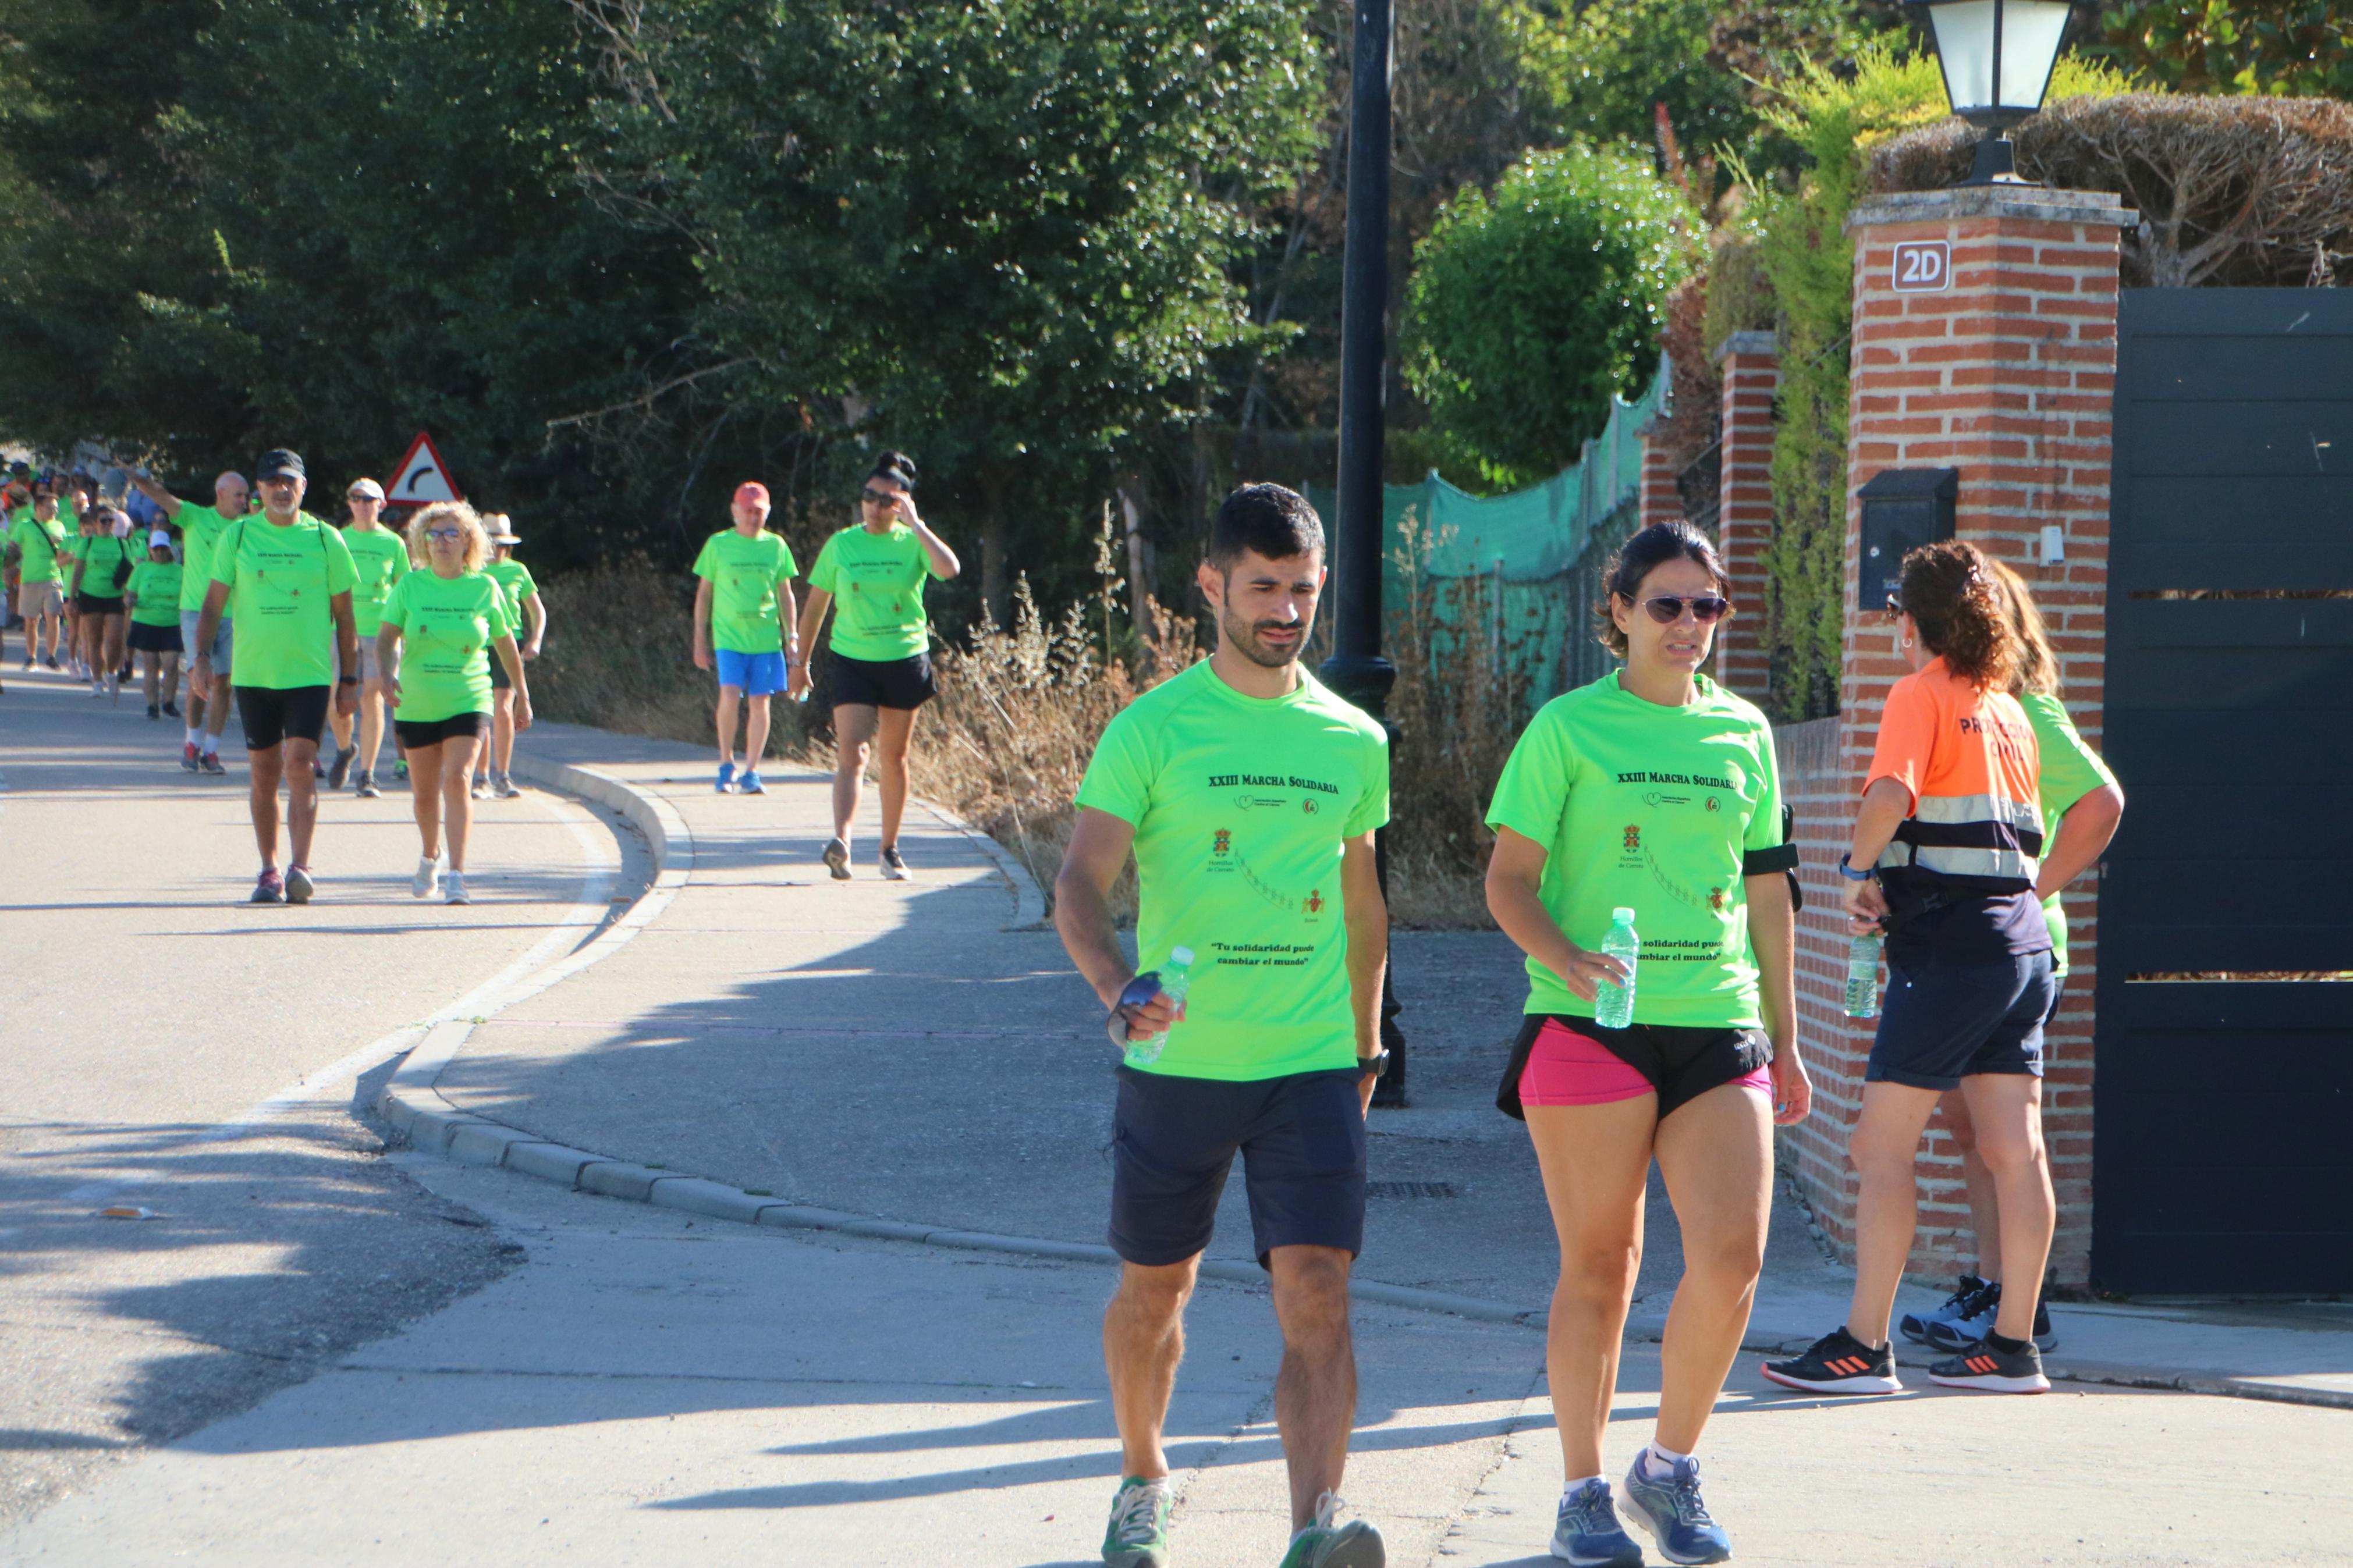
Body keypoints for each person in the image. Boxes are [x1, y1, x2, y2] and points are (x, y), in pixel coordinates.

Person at [1056, 483, 1390, 1568]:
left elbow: (1362, 906)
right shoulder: (1152, 727)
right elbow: (1078, 886)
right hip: (1179, 1062)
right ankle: (1143, 1478)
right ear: (1210, 585)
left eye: (1301, 588)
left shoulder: (1350, 738)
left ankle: (1316, 1522)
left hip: (1307, 1064)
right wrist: (1116, 990)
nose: (1285, 610)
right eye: (1263, 588)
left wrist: (1366, 1044)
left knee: (1318, 1288)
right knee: (1156, 1289)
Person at [1482, 520, 1808, 1568]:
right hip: (1590, 1028)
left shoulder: (1743, 734)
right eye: (1664, 604)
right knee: (1602, 1264)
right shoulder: (1567, 730)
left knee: (1732, 1257)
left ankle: (1665, 1469)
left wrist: (1789, 1041)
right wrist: (1565, 956)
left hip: (1717, 1021)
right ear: (1616, 611)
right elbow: (1506, 880)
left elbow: (1769, 894)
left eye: (1705, 606)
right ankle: (1580, 1491)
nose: (1687, 625)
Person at [1765, 539, 2056, 1398]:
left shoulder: (1915, 694)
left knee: (1875, 1144)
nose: (1891, 627)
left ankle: (1863, 1344)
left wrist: (1856, 875)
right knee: (2015, 1147)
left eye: (1895, 611)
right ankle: (2011, 1347)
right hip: (2022, 944)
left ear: (1915, 618)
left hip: (1951, 949)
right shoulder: (2005, 708)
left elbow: (1888, 795)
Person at [1900, 560, 2124, 1356]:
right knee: (1972, 1130)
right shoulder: (1963, 706)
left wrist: (2029, 890)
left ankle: (2013, 1307)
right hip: (1973, 947)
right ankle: (1992, 1288)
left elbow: (2100, 801)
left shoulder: (2023, 708)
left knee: (1999, 1136)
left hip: (2012, 952)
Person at [189, 450, 359, 905]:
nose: (281, 489)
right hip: (255, 674)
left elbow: (345, 616)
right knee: (263, 774)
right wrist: (201, 657)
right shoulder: (239, 536)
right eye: (272, 483)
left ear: (304, 487)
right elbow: (211, 606)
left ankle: (301, 867)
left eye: (290, 482)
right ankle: (269, 869)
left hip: (308, 674)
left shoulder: (326, 539)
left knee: (300, 764)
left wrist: (350, 678)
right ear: (258, 491)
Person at [790, 451, 959, 877]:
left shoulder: (912, 543)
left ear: (902, 503)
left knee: (894, 756)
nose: (875, 504)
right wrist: (800, 662)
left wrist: (917, 526)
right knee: (852, 751)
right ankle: (842, 843)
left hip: (904, 660)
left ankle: (888, 850)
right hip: (853, 660)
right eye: (869, 496)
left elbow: (949, 568)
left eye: (886, 499)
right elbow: (813, 610)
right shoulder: (841, 544)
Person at [377, 502, 528, 906]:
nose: (442, 542)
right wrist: (386, 674)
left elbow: (505, 644)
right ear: (423, 541)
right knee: (424, 795)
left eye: (452, 534)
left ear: (468, 542)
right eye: (434, 534)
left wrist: (522, 694)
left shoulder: (484, 588)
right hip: (417, 700)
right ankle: (431, 856)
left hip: (469, 696)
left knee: (458, 779)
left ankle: (458, 875)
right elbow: (387, 636)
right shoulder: (410, 586)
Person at [129, 464, 251, 775]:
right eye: (238, 495)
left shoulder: (250, 527)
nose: (243, 501)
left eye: (246, 496)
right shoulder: (195, 516)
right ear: (220, 494)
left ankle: (211, 749)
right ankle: (191, 741)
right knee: (201, 676)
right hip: (197, 611)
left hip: (234, 613)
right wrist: (138, 478)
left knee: (225, 684)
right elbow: (161, 496)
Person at [692, 483, 798, 796]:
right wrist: (700, 639)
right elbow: (704, 594)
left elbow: (786, 594)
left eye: (759, 512)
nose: (753, 517)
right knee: (729, 694)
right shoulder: (718, 545)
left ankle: (752, 770)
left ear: (767, 513)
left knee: (760, 701)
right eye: (748, 511)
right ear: (735, 511)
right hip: (728, 638)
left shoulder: (776, 546)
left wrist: (792, 635)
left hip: (766, 639)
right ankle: (726, 765)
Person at [335, 477, 409, 797]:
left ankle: (367, 774)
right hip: (342, 631)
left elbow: (405, 588)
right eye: (357, 498)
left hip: (381, 631)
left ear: (381, 505)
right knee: (337, 699)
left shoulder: (394, 543)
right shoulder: (338, 540)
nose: (363, 504)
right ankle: (343, 749)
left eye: (369, 499)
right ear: (349, 503)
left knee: (372, 698)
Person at [476, 513, 546, 800]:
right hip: (478, 641)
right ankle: (481, 778)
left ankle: (503, 775)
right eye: (491, 542)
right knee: (481, 709)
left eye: (501, 543)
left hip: (509, 641)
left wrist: (535, 640)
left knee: (504, 707)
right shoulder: (472, 570)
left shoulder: (518, 571)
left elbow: (537, 610)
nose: (496, 548)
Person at [67, 504, 135, 700]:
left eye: (110, 521)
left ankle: (111, 672)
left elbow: (130, 571)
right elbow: (78, 572)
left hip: (115, 596)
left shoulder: (122, 544)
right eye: (103, 521)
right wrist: (73, 599)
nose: (107, 524)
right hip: (91, 595)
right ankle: (97, 681)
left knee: (115, 640)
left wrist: (129, 593)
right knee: (95, 641)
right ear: (95, 524)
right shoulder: (87, 544)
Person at [7, 487, 71, 674]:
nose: (55, 511)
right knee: (31, 620)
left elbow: (64, 551)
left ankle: (51, 656)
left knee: (53, 618)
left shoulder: (60, 526)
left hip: (53, 578)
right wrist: (10, 570)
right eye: (51, 507)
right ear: (39, 508)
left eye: (56, 508)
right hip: (30, 579)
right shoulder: (25, 526)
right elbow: (13, 548)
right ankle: (31, 657)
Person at [124, 528, 186, 720]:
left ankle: (169, 701)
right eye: (156, 549)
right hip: (146, 620)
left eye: (163, 549)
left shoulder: (179, 571)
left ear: (169, 550)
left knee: (171, 663)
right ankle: (152, 705)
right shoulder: (142, 569)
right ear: (150, 550)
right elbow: (130, 593)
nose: (159, 552)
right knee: (151, 666)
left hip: (171, 621)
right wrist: (129, 601)